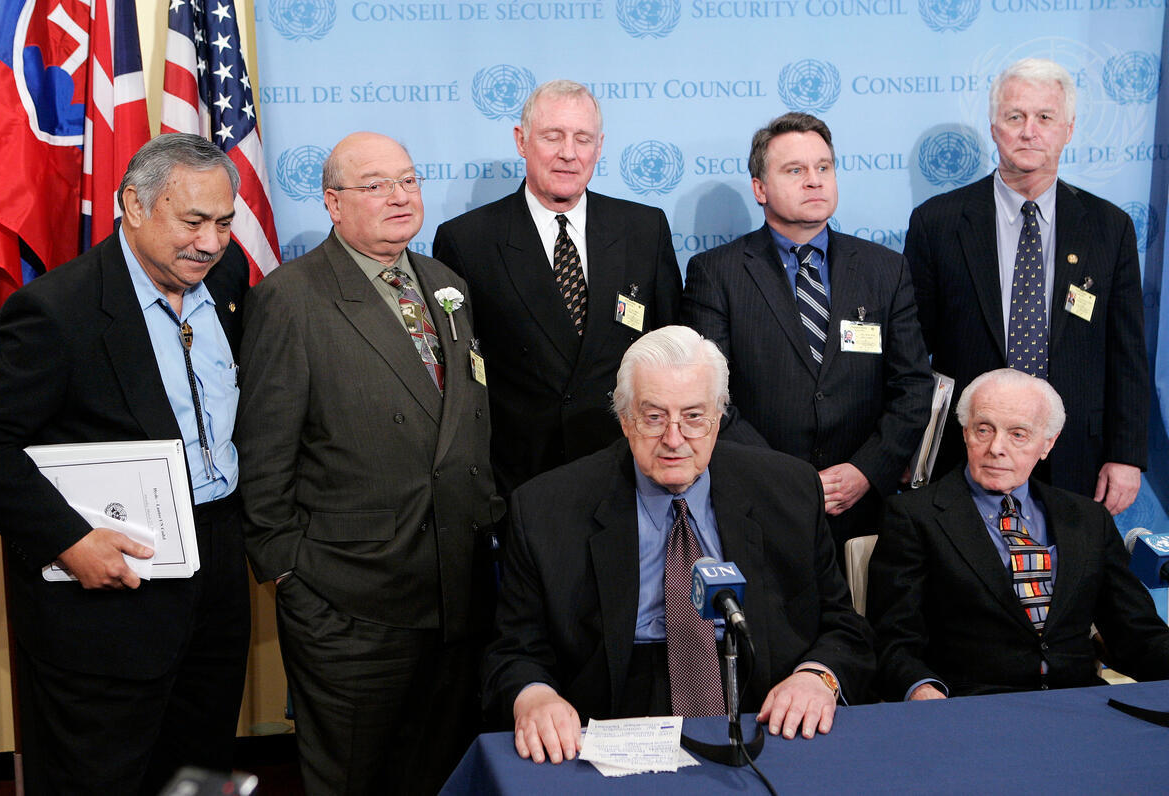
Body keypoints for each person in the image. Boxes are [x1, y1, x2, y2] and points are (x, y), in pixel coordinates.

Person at [0, 134, 250, 794]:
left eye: (225, 222)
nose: (210, 243)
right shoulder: (56, 311)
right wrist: (68, 541)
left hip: (214, 572)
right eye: (193, 221)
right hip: (105, 595)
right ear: (133, 204)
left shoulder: (229, 280)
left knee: (200, 769)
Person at [236, 132, 503, 795]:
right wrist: (293, 575)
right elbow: (264, 460)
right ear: (332, 202)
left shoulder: (445, 285)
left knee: (440, 778)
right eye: (376, 184)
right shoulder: (292, 298)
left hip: (456, 596)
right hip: (349, 607)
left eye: (408, 181)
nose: (399, 196)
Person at [482, 325, 874, 764]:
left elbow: (843, 625)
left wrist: (816, 677)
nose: (673, 438)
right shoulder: (547, 509)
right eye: (653, 417)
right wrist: (534, 698)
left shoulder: (788, 491)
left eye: (693, 416)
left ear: (719, 417)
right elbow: (514, 650)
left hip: (760, 701)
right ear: (625, 419)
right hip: (610, 711)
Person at [905, 57, 1147, 515]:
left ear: (1069, 129)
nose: (1029, 131)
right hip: (969, 450)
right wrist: (909, 443)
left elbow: (1127, 352)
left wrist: (1127, 454)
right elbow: (913, 352)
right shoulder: (937, 222)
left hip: (1076, 454)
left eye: (1045, 117)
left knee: (1071, 581)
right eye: (1015, 116)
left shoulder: (1109, 227)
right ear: (995, 127)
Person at [681, 112, 932, 547]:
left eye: (823, 167)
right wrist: (786, 480)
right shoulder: (716, 273)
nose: (814, 181)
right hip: (759, 503)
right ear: (760, 188)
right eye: (795, 170)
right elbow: (709, 398)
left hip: (862, 507)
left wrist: (866, 470)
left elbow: (912, 386)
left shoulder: (884, 269)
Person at [432, 79, 682, 497]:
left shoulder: (644, 229)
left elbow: (673, 349)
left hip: (628, 472)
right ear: (521, 140)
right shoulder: (467, 241)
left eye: (582, 139)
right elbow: (459, 378)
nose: (569, 153)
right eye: (553, 136)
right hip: (522, 482)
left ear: (599, 147)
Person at [868, 368, 1169, 700]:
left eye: (1018, 434)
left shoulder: (1088, 519)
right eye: (984, 429)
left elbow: (1137, 634)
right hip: (970, 710)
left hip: (1080, 704)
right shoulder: (914, 516)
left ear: (1047, 443)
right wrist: (921, 690)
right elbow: (894, 640)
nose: (997, 447)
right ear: (966, 432)